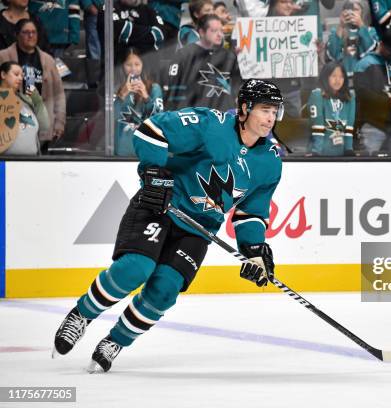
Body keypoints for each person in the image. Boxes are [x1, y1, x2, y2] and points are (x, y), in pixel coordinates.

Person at [52, 79, 284, 373]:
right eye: (264, 110)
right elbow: (151, 131)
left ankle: (116, 341)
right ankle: (82, 314)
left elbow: (250, 213)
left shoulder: (271, 162)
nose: (270, 118)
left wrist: (253, 250)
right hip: (161, 206)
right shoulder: (209, 124)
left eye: (274, 111)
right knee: (135, 268)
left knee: (165, 291)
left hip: (198, 229)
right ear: (244, 108)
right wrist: (154, 174)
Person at [0, 18, 65, 150]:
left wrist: (60, 121)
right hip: (11, 123)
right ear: (16, 35)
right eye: (26, 32)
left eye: (34, 32)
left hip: (43, 119)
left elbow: (59, 94)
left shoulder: (48, 60)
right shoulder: (3, 56)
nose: (31, 36)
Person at [165, 13, 240, 111]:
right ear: (201, 32)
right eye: (213, 31)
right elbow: (173, 89)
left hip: (225, 115)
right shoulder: (184, 54)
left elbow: (237, 86)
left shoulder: (229, 56)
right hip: (195, 115)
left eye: (221, 30)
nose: (219, 34)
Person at [353, 28, 391, 155]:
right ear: (381, 44)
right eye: (389, 49)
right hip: (373, 124)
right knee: (368, 161)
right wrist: (388, 101)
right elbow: (362, 95)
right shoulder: (364, 64)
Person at [114, 48, 164, 156]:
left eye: (137, 64)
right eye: (128, 64)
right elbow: (109, 120)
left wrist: (146, 97)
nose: (133, 69)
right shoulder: (115, 88)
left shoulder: (154, 88)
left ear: (143, 66)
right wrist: (122, 95)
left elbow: (159, 119)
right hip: (120, 152)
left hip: (146, 151)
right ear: (122, 66)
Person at [0, 60, 49, 155]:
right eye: (16, 74)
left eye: (22, 76)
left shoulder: (26, 100)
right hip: (4, 163)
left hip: (31, 162)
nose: (20, 78)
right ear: (3, 74)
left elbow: (45, 126)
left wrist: (38, 102)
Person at [307, 62, 355, 156]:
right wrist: (316, 152)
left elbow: (349, 127)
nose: (338, 80)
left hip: (341, 154)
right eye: (334, 76)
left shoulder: (350, 97)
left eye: (341, 76)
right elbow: (318, 127)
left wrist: (349, 150)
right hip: (321, 153)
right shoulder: (317, 95)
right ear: (326, 77)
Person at [326, 0, 378, 83]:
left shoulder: (371, 31)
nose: (352, 12)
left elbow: (370, 51)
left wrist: (361, 24)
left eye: (356, 9)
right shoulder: (336, 32)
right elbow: (333, 54)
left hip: (365, 79)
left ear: (363, 12)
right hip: (342, 80)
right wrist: (341, 26)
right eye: (348, 9)